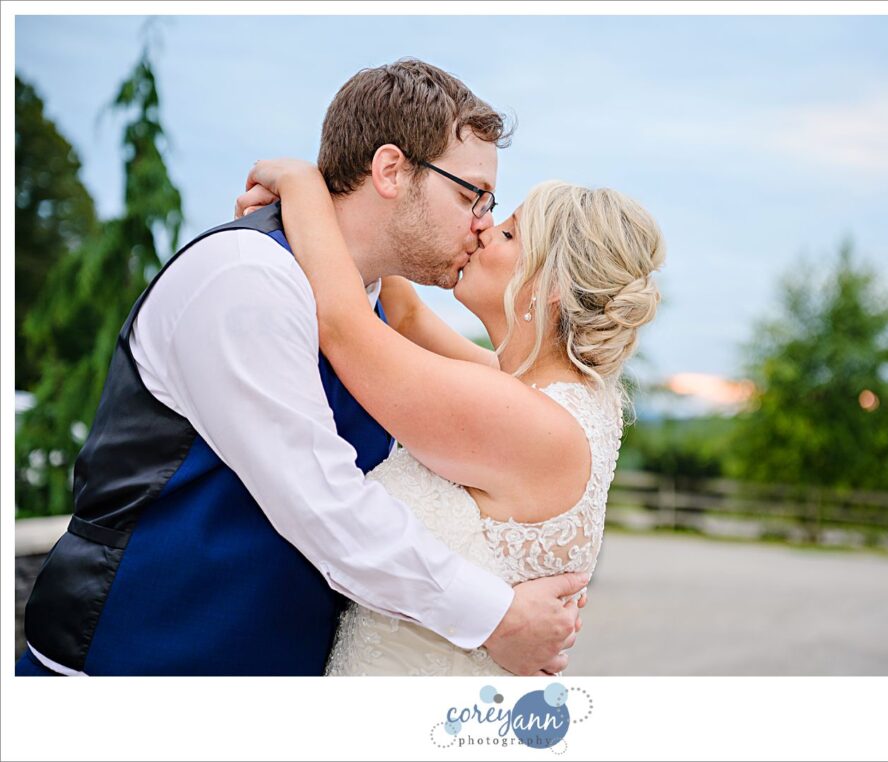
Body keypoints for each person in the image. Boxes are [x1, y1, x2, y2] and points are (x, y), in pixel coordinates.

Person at [15, 59, 586, 677]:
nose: (483, 223)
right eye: (471, 195)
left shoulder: (374, 313)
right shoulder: (249, 277)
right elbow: (321, 502)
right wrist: (497, 618)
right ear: (391, 171)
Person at [235, 155, 665, 675]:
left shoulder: (520, 417)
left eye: (509, 234)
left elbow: (345, 327)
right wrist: (375, 214)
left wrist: (302, 184)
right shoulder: (555, 395)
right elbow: (406, 317)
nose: (484, 229)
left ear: (550, 285)